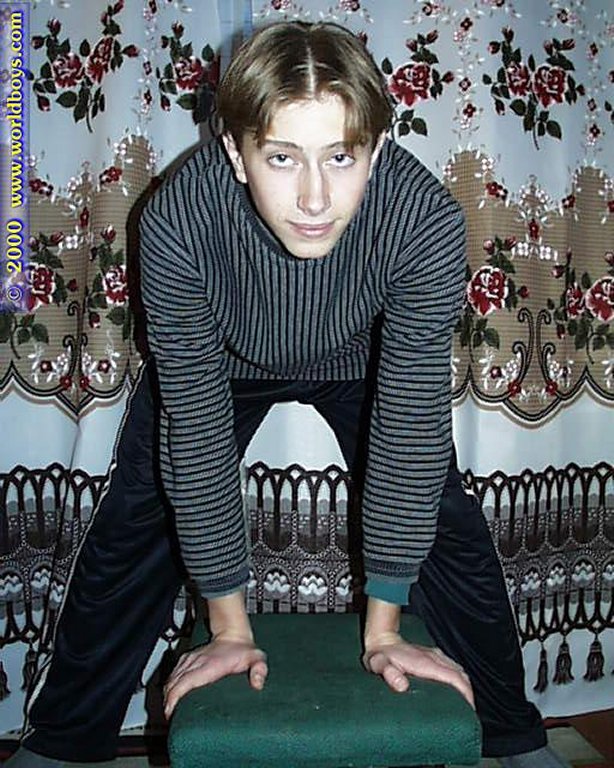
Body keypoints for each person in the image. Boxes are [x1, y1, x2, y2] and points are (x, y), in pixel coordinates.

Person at [9, 20, 566, 768]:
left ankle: (511, 732)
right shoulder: (177, 220)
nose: (314, 197)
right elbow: (196, 430)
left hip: (360, 355)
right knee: (141, 511)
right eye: (281, 157)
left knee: (439, 509)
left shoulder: (424, 219)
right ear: (235, 153)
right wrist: (230, 629)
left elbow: (408, 430)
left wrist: (384, 632)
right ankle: (65, 738)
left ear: (376, 149)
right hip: (223, 356)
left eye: (341, 156)